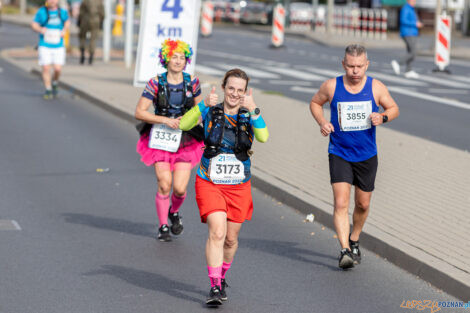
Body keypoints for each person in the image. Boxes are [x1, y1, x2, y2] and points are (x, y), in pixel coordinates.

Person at [179, 69, 268, 306]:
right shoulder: (211, 109)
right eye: (231, 88)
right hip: (209, 179)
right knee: (217, 232)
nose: (235, 94)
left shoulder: (249, 113)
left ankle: (222, 275)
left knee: (230, 239)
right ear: (224, 87)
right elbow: (184, 124)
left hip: (238, 184)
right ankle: (215, 286)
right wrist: (201, 106)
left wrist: (254, 108)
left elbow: (264, 137)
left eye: (240, 90)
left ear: (245, 92)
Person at [310, 44, 399, 270]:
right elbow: (315, 103)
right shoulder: (332, 86)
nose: (355, 71)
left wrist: (383, 117)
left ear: (367, 65)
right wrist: (323, 122)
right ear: (343, 64)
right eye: (350, 66)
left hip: (367, 154)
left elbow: (394, 108)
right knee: (341, 202)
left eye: (359, 66)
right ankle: (344, 250)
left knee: (362, 203)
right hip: (339, 151)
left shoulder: (375, 87)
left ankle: (355, 238)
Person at [134, 39, 204, 242]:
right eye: (175, 57)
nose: (179, 61)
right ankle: (163, 225)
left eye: (182, 58)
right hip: (161, 138)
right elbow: (140, 112)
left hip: (186, 139)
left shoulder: (193, 82)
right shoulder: (156, 83)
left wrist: (193, 119)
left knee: (180, 189)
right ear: (166, 58)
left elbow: (201, 111)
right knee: (165, 184)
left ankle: (174, 211)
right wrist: (164, 119)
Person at [31, 0, 70, 99]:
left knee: (57, 69)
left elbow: (67, 22)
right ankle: (48, 89)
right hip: (45, 44)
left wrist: (64, 30)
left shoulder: (62, 12)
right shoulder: (42, 12)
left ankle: (55, 82)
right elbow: (34, 24)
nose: (52, 1)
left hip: (58, 45)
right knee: (46, 68)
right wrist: (40, 29)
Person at [391, 0, 423, 79]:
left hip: (412, 32)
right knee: (413, 51)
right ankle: (398, 63)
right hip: (408, 32)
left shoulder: (411, 8)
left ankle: (408, 70)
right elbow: (403, 20)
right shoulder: (406, 8)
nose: (414, 1)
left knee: (410, 51)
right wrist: (415, 23)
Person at [78, 0, 104, 65]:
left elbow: (81, 12)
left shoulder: (85, 1)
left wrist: (79, 21)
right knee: (93, 39)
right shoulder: (99, 2)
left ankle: (82, 54)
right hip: (95, 20)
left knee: (82, 37)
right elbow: (102, 14)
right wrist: (101, 23)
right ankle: (91, 57)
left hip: (85, 20)